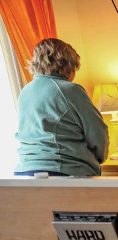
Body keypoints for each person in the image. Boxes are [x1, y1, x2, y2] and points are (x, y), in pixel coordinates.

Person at [14, 38, 108, 177]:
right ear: (67, 66)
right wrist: (99, 158)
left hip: (25, 170)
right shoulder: (71, 90)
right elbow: (97, 132)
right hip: (64, 170)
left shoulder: (26, 91)